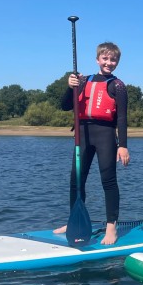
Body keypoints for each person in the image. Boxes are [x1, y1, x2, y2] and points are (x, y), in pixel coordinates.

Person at [54, 42, 130, 244]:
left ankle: (111, 227)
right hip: (83, 133)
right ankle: (74, 222)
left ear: (117, 62)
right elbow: (65, 106)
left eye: (113, 59)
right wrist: (69, 87)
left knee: (108, 181)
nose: (109, 62)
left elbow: (121, 118)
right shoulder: (83, 80)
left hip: (105, 134)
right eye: (105, 58)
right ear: (98, 59)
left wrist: (122, 145)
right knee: (76, 180)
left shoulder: (118, 86)